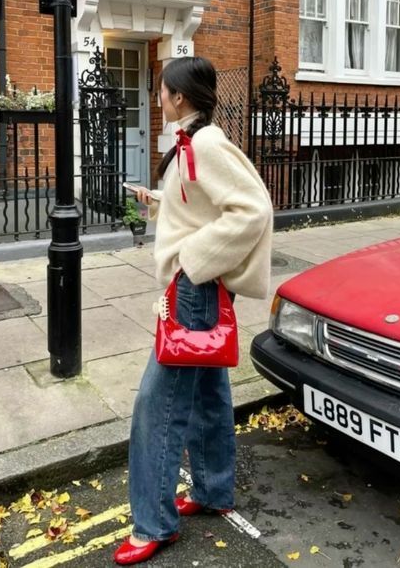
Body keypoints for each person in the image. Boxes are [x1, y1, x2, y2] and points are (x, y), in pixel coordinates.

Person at [114, 56, 273, 565]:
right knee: (207, 396)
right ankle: (212, 491)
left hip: (192, 290)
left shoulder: (204, 142)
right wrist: (159, 201)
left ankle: (153, 524)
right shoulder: (190, 143)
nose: (156, 98)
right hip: (194, 288)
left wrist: (192, 260)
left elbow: (253, 208)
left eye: (160, 90)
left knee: (155, 408)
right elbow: (198, 203)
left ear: (178, 96)